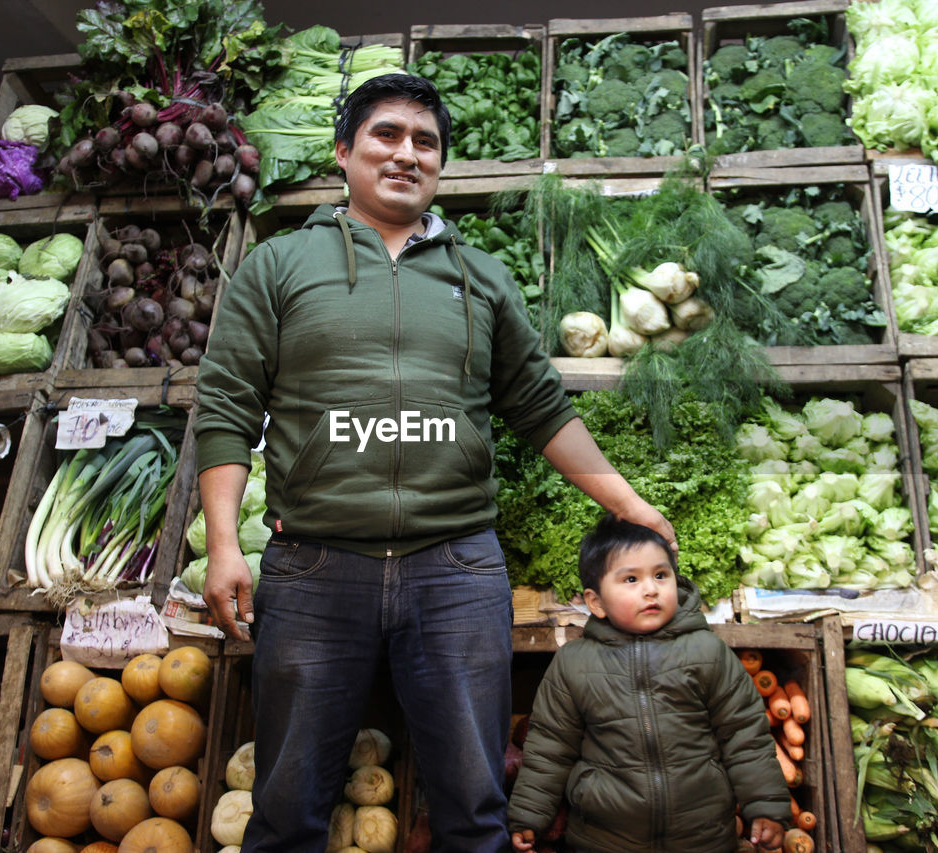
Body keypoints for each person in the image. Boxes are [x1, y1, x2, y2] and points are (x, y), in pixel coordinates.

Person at [193, 73, 676, 853]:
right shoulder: (278, 266)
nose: (406, 154)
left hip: (455, 567)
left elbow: (539, 406)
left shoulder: (479, 276)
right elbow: (225, 409)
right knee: (285, 813)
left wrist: (631, 506)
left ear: (440, 165)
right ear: (344, 151)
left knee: (473, 811)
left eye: (426, 142)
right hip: (315, 566)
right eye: (386, 135)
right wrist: (222, 544)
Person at [507, 514, 790, 853]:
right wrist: (528, 816)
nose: (651, 588)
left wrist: (766, 806)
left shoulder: (707, 652)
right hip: (605, 837)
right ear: (596, 602)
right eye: (630, 579)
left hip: (703, 835)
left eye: (660, 575)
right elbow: (549, 748)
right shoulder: (574, 663)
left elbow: (745, 734)